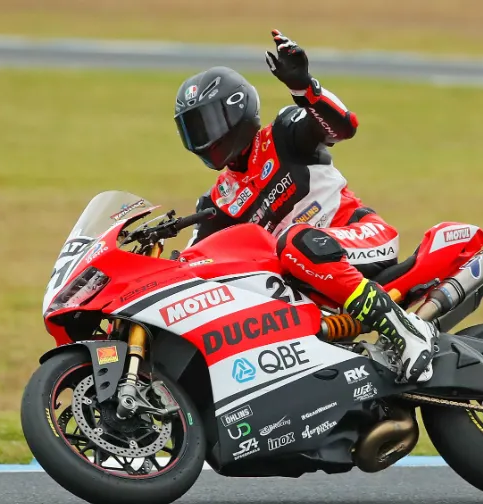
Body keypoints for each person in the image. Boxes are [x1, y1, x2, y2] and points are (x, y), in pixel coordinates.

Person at [174, 30, 437, 383]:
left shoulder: (282, 132)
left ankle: (406, 330)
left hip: (359, 237)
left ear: (237, 112)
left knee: (294, 241)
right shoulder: (218, 199)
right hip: (302, 278)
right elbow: (194, 264)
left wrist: (304, 88)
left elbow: (345, 127)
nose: (202, 138)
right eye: (192, 129)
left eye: (207, 122)